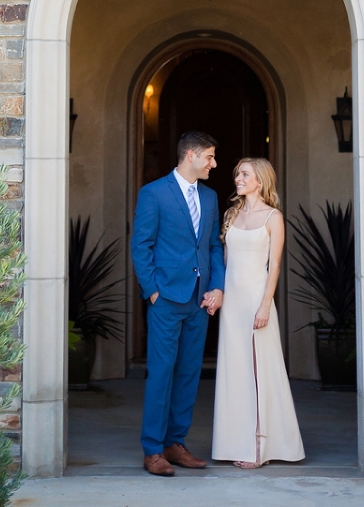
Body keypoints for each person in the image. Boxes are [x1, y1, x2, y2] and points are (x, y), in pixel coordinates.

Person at [131, 130, 225, 477]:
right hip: (167, 297)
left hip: (199, 300)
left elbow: (214, 246)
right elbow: (141, 245)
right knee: (161, 372)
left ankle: (175, 442)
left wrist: (217, 287)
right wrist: (153, 290)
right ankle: (153, 449)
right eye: (210, 157)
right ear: (191, 156)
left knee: (188, 374)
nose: (214, 164)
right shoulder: (154, 193)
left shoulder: (211, 197)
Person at [212, 158, 305, 468]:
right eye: (238, 172)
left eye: (245, 174)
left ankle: (259, 450)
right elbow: (225, 261)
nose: (238, 177)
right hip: (232, 305)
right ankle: (233, 444)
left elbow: (274, 266)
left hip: (256, 301)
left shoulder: (273, 217)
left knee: (259, 373)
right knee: (234, 373)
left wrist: (265, 305)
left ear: (261, 181)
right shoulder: (231, 214)